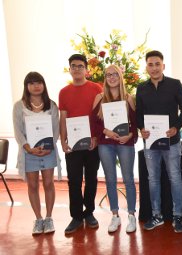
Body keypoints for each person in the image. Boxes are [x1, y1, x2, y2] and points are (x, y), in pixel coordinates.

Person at [136, 50, 182, 233]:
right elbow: (138, 114)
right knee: (153, 179)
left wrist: (177, 127)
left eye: (157, 64)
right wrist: (141, 129)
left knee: (175, 177)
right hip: (151, 142)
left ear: (163, 66)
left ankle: (177, 216)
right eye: (150, 64)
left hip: (171, 140)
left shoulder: (174, 84)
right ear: (147, 67)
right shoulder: (141, 88)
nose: (154, 67)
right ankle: (156, 215)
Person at [90, 64, 138, 233]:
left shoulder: (129, 99)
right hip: (106, 145)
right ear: (105, 78)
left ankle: (131, 215)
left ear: (120, 77)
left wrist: (130, 136)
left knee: (128, 179)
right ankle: (115, 216)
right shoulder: (100, 98)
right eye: (108, 75)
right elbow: (93, 123)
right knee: (110, 180)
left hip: (125, 144)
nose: (111, 77)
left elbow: (135, 124)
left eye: (114, 74)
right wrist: (105, 131)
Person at [13, 72, 62, 235]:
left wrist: (49, 146)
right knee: (32, 185)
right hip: (29, 152)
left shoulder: (52, 105)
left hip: (48, 151)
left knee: (49, 184)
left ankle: (49, 218)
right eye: (32, 83)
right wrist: (28, 148)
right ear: (26, 86)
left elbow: (56, 129)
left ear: (44, 85)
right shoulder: (19, 106)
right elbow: (18, 131)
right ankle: (38, 219)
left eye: (39, 82)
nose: (36, 86)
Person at [59, 54, 103, 234]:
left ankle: (89, 212)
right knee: (74, 181)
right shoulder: (64, 92)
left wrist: (97, 138)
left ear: (87, 69)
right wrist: (62, 140)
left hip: (92, 143)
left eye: (80, 66)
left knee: (92, 179)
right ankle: (76, 216)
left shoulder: (96, 88)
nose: (77, 69)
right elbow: (63, 119)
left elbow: (101, 118)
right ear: (69, 69)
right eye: (73, 66)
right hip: (74, 145)